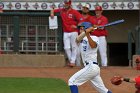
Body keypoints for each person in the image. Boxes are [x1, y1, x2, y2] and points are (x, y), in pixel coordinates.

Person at [68, 22, 112, 93]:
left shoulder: (95, 38)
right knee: (103, 91)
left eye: (82, 29)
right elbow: (77, 39)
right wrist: (86, 31)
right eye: (80, 29)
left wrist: (88, 34)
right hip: (89, 68)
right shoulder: (80, 38)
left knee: (72, 81)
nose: (80, 30)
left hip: (92, 66)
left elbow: (93, 46)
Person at [50, 0, 84, 67]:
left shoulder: (74, 12)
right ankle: (72, 60)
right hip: (66, 31)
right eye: (65, 3)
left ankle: (72, 62)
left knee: (74, 46)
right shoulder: (62, 10)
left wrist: (77, 26)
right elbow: (52, 10)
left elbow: (81, 20)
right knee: (66, 48)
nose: (65, 5)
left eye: (67, 3)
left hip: (74, 31)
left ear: (70, 4)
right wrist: (52, 14)